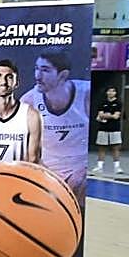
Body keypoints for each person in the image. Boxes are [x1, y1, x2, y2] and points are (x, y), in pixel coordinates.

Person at [21, 51, 91, 201]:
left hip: (81, 169)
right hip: (47, 170)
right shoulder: (29, 101)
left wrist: (86, 170)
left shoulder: (86, 94)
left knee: (81, 185)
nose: (37, 76)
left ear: (63, 75)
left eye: (45, 70)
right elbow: (25, 149)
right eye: (36, 68)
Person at [95, 86, 124, 174]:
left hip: (115, 129)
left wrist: (106, 115)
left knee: (115, 148)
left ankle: (117, 167)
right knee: (101, 148)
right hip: (103, 129)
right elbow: (99, 116)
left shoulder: (118, 103)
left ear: (115, 93)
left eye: (113, 91)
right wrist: (109, 115)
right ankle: (99, 167)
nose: (111, 93)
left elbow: (116, 116)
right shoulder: (102, 103)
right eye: (109, 91)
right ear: (106, 92)